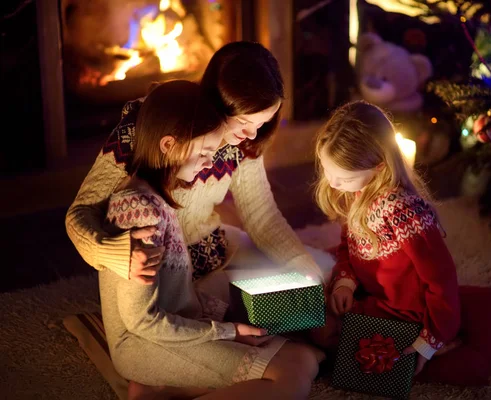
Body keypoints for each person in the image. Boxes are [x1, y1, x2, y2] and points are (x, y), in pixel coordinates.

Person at [101, 80, 322, 400]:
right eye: (205, 152)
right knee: (291, 375)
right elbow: (143, 323)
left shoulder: (161, 198)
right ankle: (158, 384)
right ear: (168, 145)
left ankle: (164, 389)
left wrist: (229, 320)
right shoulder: (138, 211)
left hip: (183, 323)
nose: (210, 163)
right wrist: (229, 331)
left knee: (306, 357)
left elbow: (177, 296)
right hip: (146, 344)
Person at [65, 40, 333, 292]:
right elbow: (82, 212)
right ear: (218, 101)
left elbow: (261, 215)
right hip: (158, 265)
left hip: (210, 247)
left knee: (317, 274)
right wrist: (112, 251)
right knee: (246, 312)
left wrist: (302, 266)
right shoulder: (151, 123)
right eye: (243, 123)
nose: (252, 134)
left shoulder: (245, 142)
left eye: (261, 124)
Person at [310, 100, 460, 375]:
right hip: (371, 297)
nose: (332, 183)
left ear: (379, 166)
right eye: (327, 170)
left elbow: (442, 280)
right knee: (306, 307)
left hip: (403, 315)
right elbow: (349, 247)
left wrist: (428, 343)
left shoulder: (406, 215)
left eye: (342, 177)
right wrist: (344, 283)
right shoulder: (361, 194)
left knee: (320, 331)